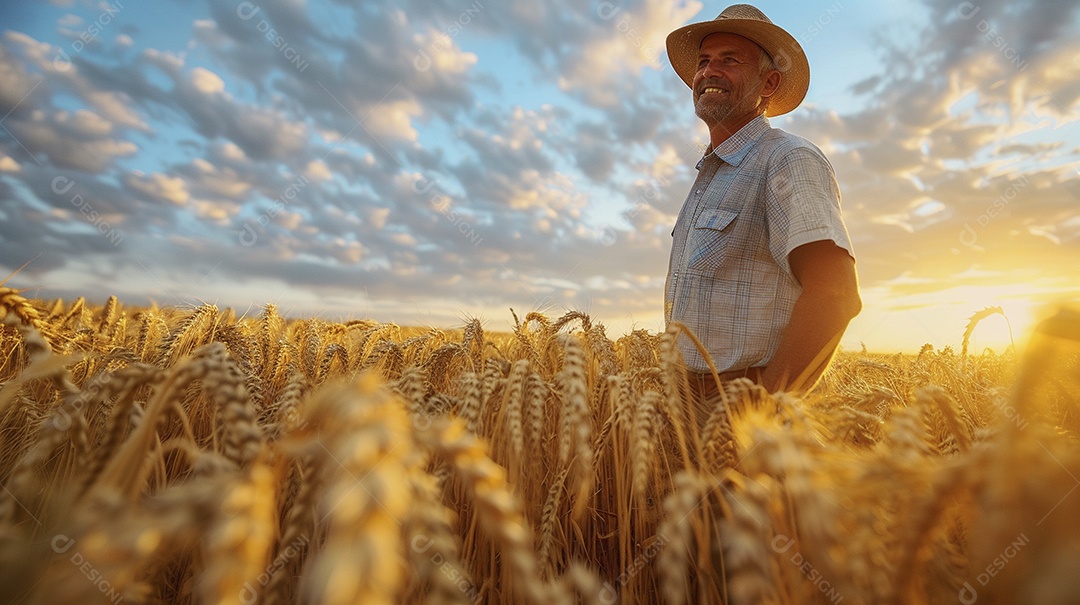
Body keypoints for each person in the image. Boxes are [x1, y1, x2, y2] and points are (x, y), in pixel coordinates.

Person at [663, 4, 861, 399]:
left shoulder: (787, 159)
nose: (708, 72)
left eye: (729, 60)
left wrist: (764, 414)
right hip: (683, 406)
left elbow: (835, 294)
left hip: (740, 408)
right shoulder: (709, 175)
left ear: (768, 84)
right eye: (703, 61)